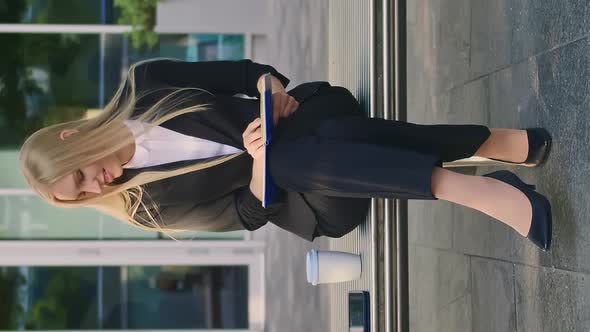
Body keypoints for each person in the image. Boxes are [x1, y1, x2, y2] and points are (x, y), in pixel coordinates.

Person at [18, 59, 552, 251]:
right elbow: (249, 214)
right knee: (288, 161)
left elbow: (250, 72)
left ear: (70, 139)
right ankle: (482, 167)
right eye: (84, 193)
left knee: (321, 140)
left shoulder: (147, 83)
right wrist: (257, 160)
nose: (97, 184)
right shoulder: (144, 209)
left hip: (312, 116)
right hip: (320, 200)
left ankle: (487, 175)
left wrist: (270, 94)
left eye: (83, 174)